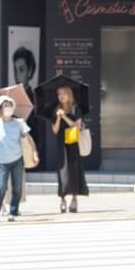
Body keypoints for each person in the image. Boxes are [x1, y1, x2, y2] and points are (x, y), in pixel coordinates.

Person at [0, 95, 30, 222]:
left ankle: (13, 211)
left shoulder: (18, 122)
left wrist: (33, 153)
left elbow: (27, 138)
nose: (8, 108)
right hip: (3, 161)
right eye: (5, 106)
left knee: (17, 187)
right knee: (1, 187)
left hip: (17, 159)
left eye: (10, 105)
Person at [51, 85, 88, 213]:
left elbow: (75, 126)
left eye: (63, 93)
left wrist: (65, 116)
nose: (61, 96)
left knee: (74, 170)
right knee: (62, 172)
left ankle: (74, 199)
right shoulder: (55, 109)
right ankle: (62, 199)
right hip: (61, 144)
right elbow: (55, 130)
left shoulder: (75, 108)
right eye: (59, 94)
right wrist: (58, 117)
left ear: (69, 94)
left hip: (72, 142)